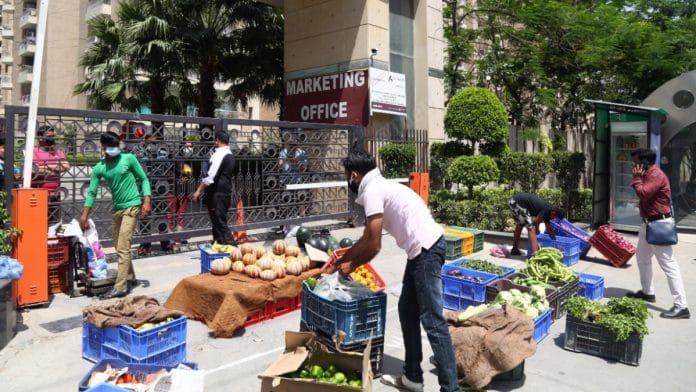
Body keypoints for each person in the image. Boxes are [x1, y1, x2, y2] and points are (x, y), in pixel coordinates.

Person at [321, 148, 460, 392]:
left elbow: (374, 245)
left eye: (348, 177)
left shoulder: (373, 189)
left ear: (354, 175)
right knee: (407, 311)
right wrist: (338, 260)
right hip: (422, 251)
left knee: (433, 320)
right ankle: (412, 377)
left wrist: (351, 265)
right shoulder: (379, 186)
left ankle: (451, 389)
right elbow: (366, 237)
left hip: (425, 250)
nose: (349, 182)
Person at [79, 131, 152, 299]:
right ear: (103, 147)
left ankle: (120, 287)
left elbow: (144, 179)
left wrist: (146, 200)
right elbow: (91, 193)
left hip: (132, 206)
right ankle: (130, 276)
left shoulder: (129, 159)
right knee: (119, 246)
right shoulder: (100, 168)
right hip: (117, 209)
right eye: (111, 146)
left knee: (123, 246)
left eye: (116, 146)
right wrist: (84, 216)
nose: (115, 149)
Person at [626, 148, 689, 319]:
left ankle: (681, 306)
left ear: (645, 162)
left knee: (669, 264)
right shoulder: (648, 173)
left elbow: (644, 193)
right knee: (642, 258)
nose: (634, 166)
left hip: (659, 225)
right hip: (648, 223)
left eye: (636, 162)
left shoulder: (655, 175)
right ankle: (648, 292)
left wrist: (637, 179)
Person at [192, 130, 236, 245]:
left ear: (218, 140)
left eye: (216, 140)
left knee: (219, 222)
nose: (215, 142)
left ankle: (233, 248)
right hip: (224, 193)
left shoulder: (220, 155)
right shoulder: (229, 154)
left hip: (217, 194)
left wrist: (198, 191)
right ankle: (218, 245)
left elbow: (210, 177)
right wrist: (213, 158)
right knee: (217, 221)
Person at [137, 134, 175, 255]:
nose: (153, 146)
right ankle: (145, 244)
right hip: (144, 190)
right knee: (144, 217)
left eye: (155, 144)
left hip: (160, 189)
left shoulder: (163, 153)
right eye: (150, 144)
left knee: (161, 216)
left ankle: (165, 242)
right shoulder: (140, 153)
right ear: (145, 143)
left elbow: (169, 167)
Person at [32, 125, 71, 223]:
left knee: (55, 224)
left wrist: (45, 167)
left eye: (53, 135)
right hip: (39, 195)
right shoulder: (33, 151)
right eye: (49, 135)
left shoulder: (58, 152)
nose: (52, 138)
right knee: (39, 223)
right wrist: (56, 168)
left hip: (55, 195)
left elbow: (66, 166)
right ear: (40, 137)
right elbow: (33, 169)